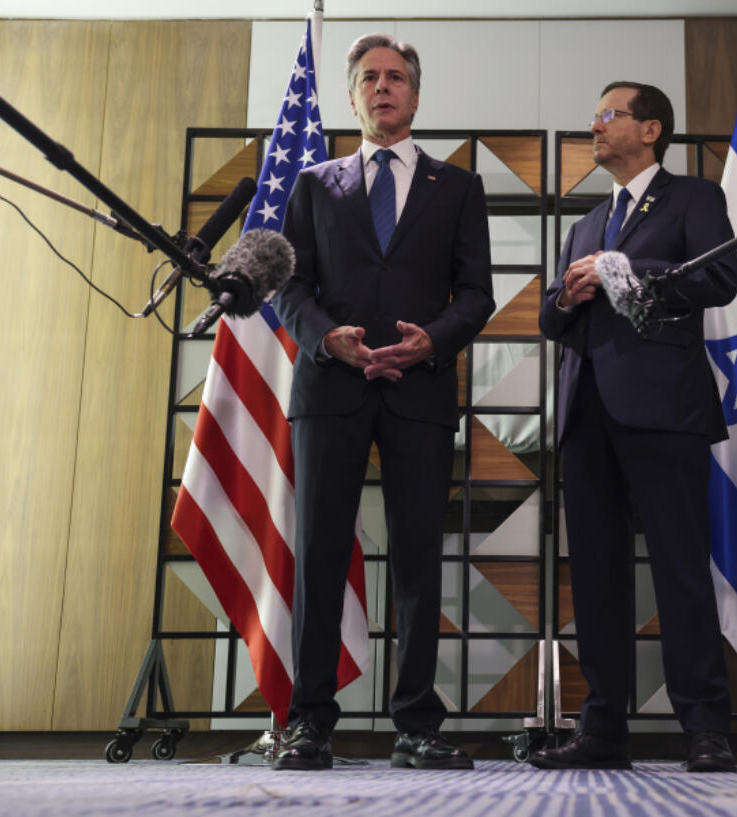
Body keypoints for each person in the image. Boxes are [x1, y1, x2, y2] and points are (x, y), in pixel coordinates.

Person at [271, 33, 494, 771]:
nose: (383, 87)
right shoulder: (313, 183)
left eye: (396, 77)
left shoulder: (457, 186)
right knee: (320, 553)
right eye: (369, 77)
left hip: (419, 390)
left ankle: (417, 723)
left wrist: (429, 342)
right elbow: (289, 285)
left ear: (416, 95)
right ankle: (309, 721)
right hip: (329, 387)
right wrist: (321, 337)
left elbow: (478, 296)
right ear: (353, 94)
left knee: (419, 561)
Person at [533, 82, 737, 773]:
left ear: (650, 129)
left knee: (680, 569)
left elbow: (718, 278)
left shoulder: (694, 199)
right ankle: (602, 729)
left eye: (607, 115)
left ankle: (707, 727)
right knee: (595, 578)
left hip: (664, 411)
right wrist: (567, 292)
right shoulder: (585, 223)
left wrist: (626, 269)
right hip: (586, 414)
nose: (594, 126)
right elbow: (548, 320)